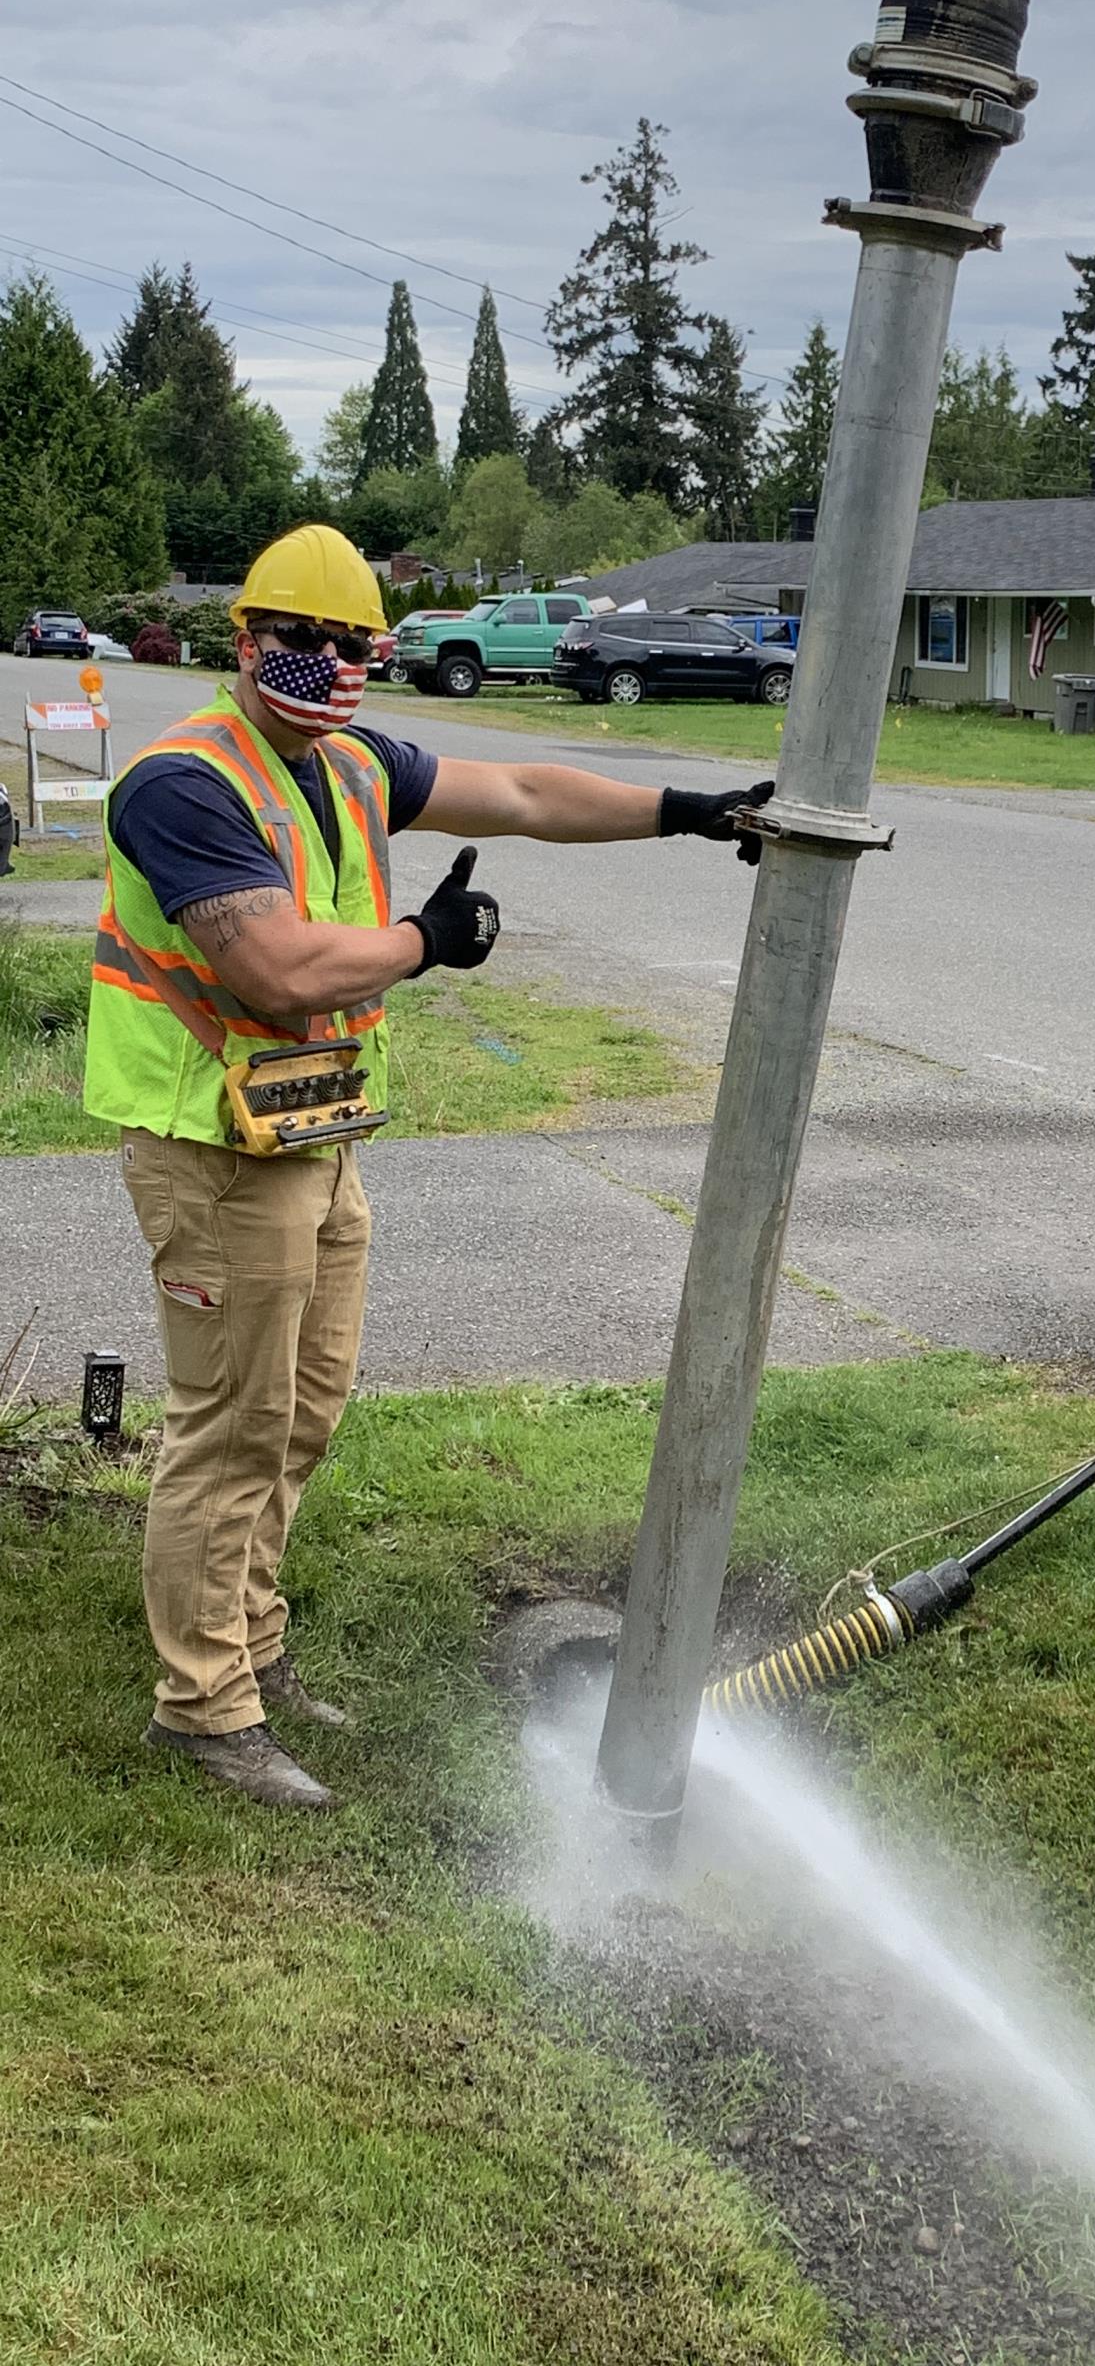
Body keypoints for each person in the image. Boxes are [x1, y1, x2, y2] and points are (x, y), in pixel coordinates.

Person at [85, 524, 773, 1810]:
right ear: (247, 640)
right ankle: (204, 1707)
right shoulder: (187, 783)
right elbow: (277, 968)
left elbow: (517, 795)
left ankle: (253, 1643)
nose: (331, 664)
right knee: (229, 1428)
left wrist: (688, 810)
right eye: (305, 640)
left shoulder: (345, 758)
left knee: (302, 1410)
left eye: (355, 646)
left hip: (311, 1132)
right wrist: (423, 940)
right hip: (211, 1146)